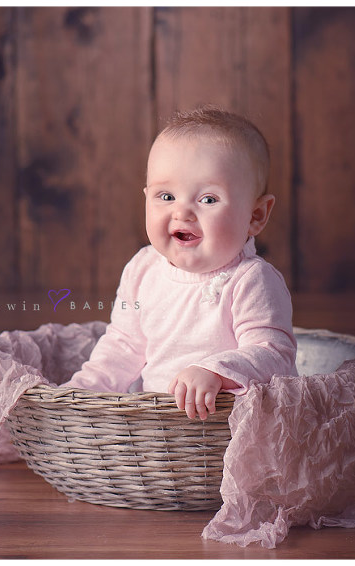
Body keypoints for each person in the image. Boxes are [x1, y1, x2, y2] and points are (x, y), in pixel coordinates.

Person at [62, 106, 297, 419]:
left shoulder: (251, 279)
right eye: (166, 196)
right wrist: (85, 390)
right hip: (156, 427)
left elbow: (274, 354)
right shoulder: (143, 269)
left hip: (228, 426)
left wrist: (215, 372)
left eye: (208, 199)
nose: (182, 213)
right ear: (146, 197)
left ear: (255, 216)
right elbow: (123, 346)